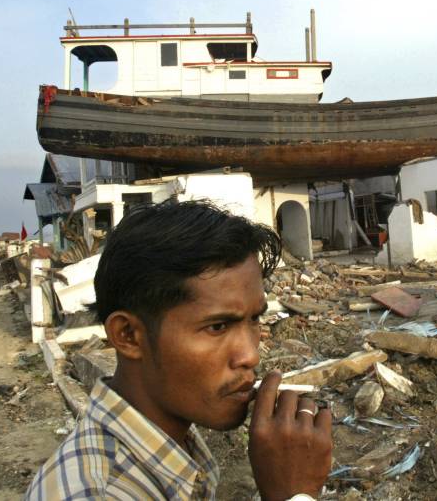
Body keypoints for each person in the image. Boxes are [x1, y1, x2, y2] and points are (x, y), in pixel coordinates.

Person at [25, 200, 332, 500]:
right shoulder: (99, 492)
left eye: (255, 319)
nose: (251, 355)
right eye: (218, 327)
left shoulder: (172, 442)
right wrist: (292, 494)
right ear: (128, 335)